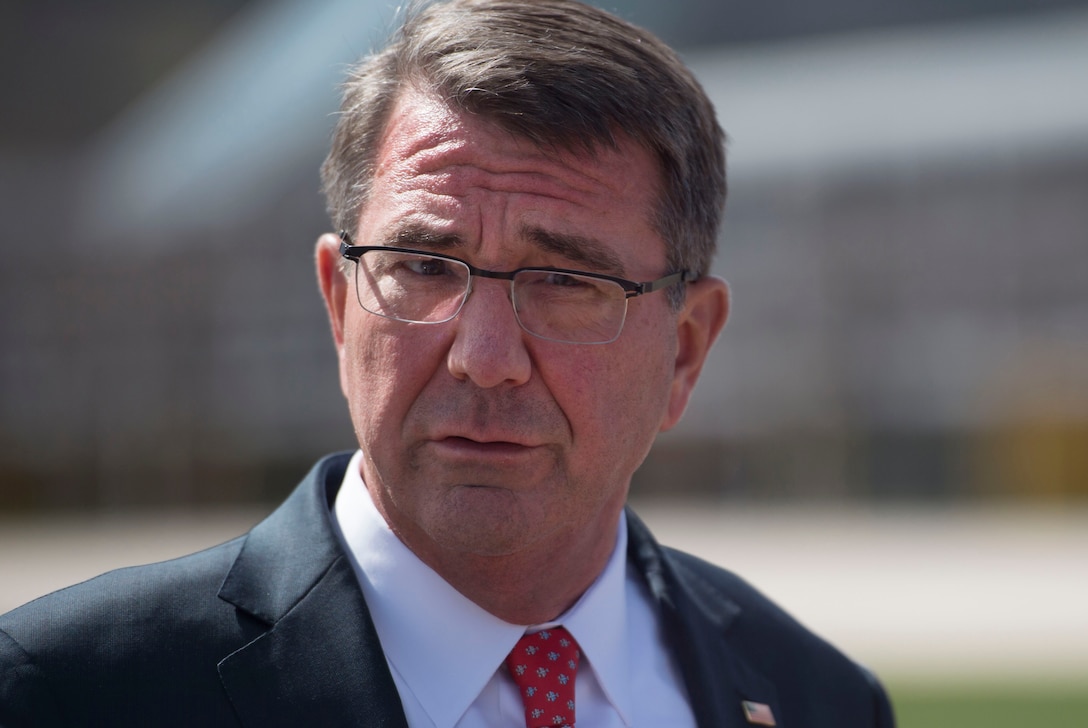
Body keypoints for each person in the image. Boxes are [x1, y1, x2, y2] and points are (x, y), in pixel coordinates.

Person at [0, 1, 895, 726]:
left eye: (565, 280)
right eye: (425, 267)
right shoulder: (66, 693)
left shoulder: (821, 700)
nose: (485, 357)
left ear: (686, 349)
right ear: (339, 302)